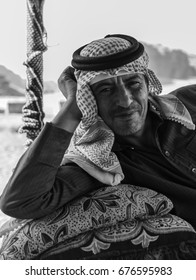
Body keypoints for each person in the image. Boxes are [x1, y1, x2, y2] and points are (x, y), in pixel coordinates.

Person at [0, 34, 196, 231]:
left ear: (147, 85)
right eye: (105, 90)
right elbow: (20, 201)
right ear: (88, 99)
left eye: (133, 84)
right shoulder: (102, 163)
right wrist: (71, 111)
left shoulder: (189, 101)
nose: (125, 101)